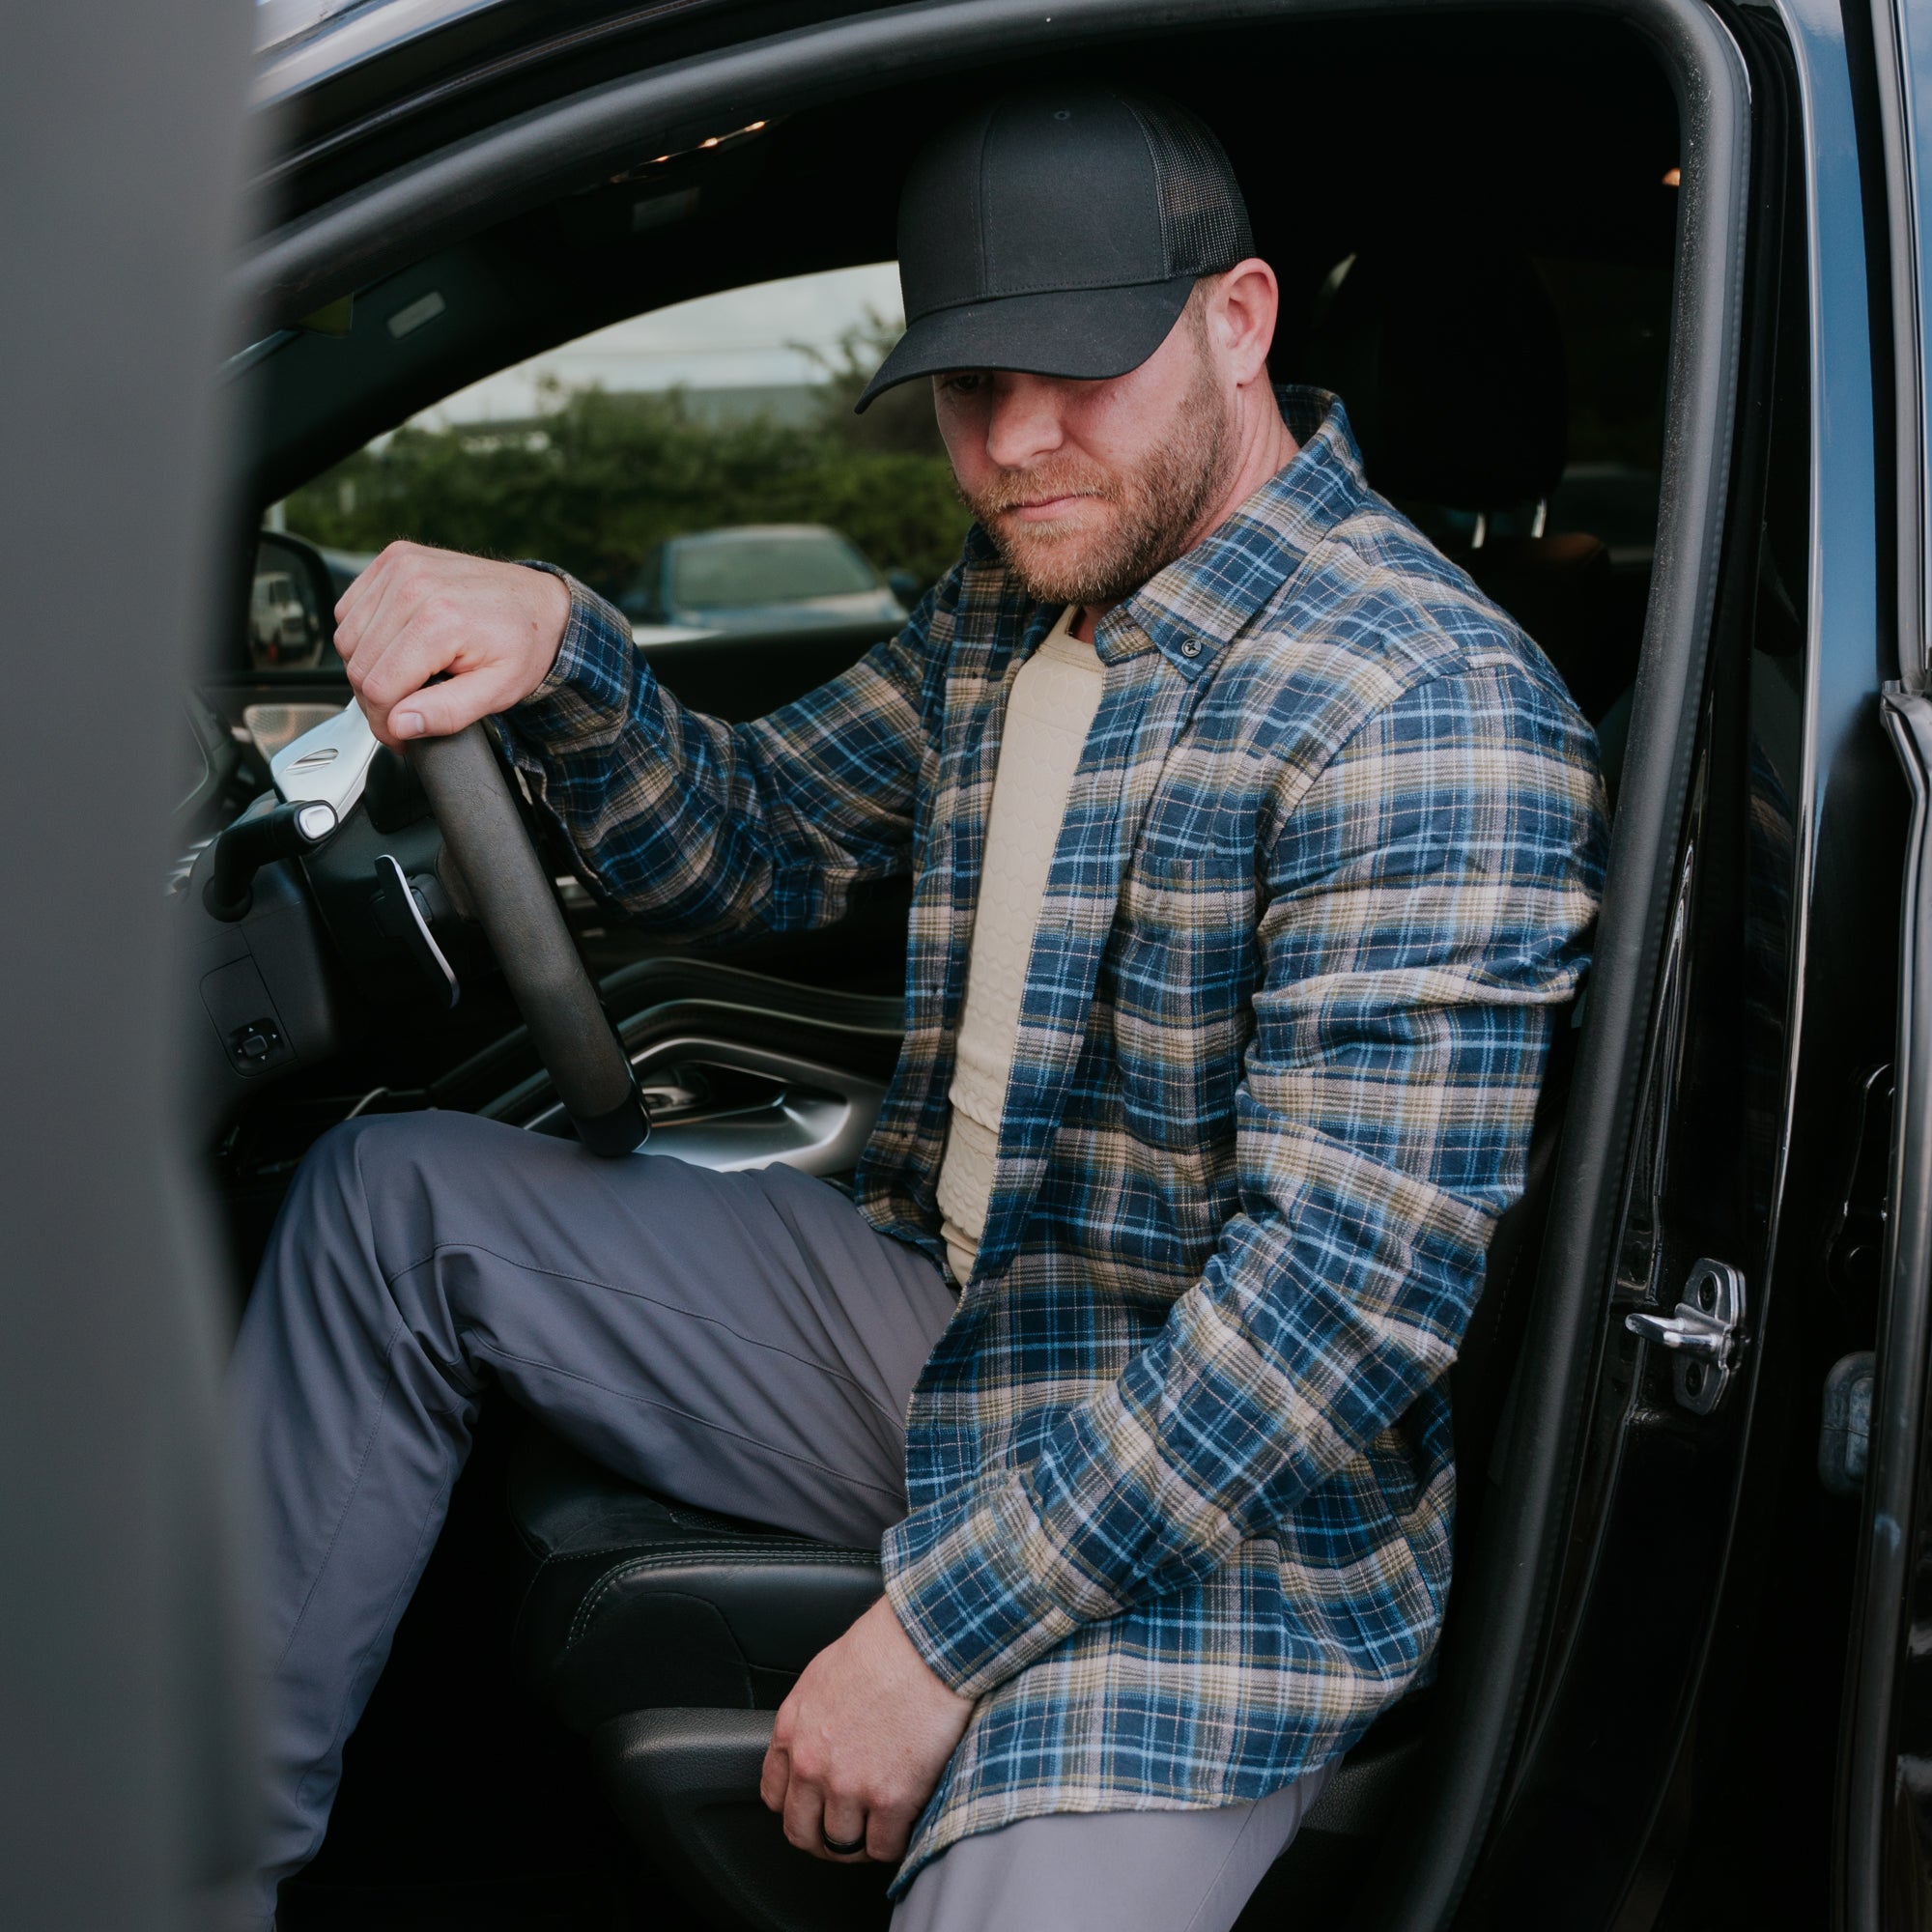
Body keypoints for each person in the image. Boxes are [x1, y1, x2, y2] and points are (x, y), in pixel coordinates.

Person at [232, 83, 1606, 1932]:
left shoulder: (1425, 705)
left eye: (1076, 368)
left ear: (1239, 318)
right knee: (387, 1205)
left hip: (1225, 1514)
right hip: (953, 1315)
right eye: (969, 387)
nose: (1018, 444)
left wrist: (930, 1643)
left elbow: (1330, 1318)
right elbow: (757, 849)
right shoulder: (1022, 590)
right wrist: (564, 638)